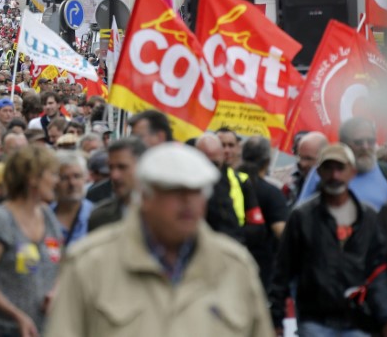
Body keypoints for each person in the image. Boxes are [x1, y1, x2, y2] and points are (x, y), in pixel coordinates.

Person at [45, 142, 273, 336]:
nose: (188, 202)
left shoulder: (234, 265)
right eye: (174, 192)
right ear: (145, 196)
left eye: (197, 192)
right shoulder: (89, 262)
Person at [270, 143, 387, 336]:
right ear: (319, 172)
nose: (334, 175)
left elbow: (377, 272)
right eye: (328, 168)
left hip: (358, 321)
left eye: (340, 168)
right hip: (315, 320)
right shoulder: (302, 217)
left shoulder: (367, 217)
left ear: (351, 172)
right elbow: (283, 270)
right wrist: (275, 318)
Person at [0, 144, 62, 337]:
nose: (56, 181)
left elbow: (60, 263)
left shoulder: (48, 215)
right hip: (0, 330)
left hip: (41, 329)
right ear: (33, 178)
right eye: (52, 174)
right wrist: (16, 315)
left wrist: (55, 291)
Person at [298, 117, 387, 211]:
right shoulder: (323, 172)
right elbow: (300, 216)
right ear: (343, 143)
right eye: (358, 142)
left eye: (370, 141)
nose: (365, 147)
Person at [237, 136, 288, 292]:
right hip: (261, 271)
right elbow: (282, 233)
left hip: (229, 264)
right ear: (268, 161)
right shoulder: (272, 193)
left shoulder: (229, 184)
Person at [88, 137, 147, 232]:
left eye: (122, 167)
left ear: (142, 166)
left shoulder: (163, 215)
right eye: (111, 168)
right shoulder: (99, 217)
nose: (114, 176)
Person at [52, 151, 93, 247]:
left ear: (85, 178)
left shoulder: (96, 214)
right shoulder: (44, 217)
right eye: (64, 178)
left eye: (77, 176)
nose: (72, 183)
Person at [283, 131, 328, 207]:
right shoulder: (293, 181)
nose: (302, 163)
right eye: (300, 157)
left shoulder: (331, 189)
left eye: (308, 159)